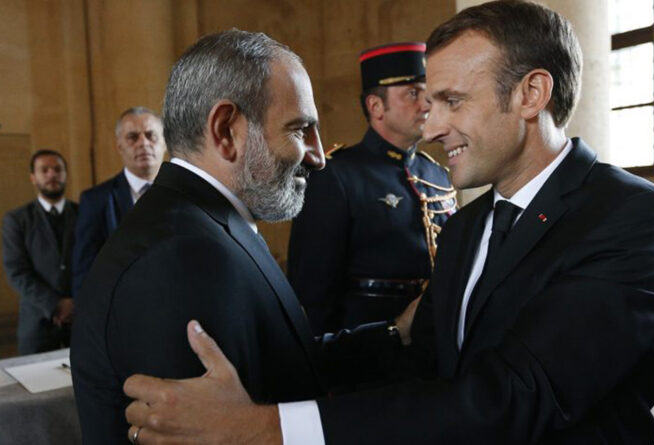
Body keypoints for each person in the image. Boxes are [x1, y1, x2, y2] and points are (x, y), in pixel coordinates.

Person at [123, 2, 654, 444]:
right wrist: (257, 371)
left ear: (531, 94)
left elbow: (514, 398)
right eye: (427, 101)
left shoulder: (639, 220)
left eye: (452, 101)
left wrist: (264, 429)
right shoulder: (470, 226)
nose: (432, 127)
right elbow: (420, 358)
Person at [70, 30, 411, 444]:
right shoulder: (181, 257)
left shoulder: (208, 223)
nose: (319, 156)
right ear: (226, 130)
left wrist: (396, 334)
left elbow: (281, 361)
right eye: (300, 129)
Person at [288, 41, 456, 334]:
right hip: (369, 347)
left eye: (427, 93)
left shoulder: (437, 173)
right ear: (376, 106)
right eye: (412, 93)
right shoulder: (336, 175)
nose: (426, 104)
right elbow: (313, 292)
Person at [70, 107, 166, 297]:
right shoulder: (95, 200)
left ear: (164, 143)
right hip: (123, 307)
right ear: (120, 147)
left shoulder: (187, 193)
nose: (143, 143)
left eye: (151, 135)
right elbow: (85, 271)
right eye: (132, 137)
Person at [2, 149, 77, 354]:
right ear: (33, 178)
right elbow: (17, 271)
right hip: (37, 324)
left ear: (66, 175)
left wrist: (76, 303)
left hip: (80, 320)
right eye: (44, 170)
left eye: (58, 169)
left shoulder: (83, 213)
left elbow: (93, 263)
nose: (52, 174)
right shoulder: (16, 220)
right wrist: (56, 305)